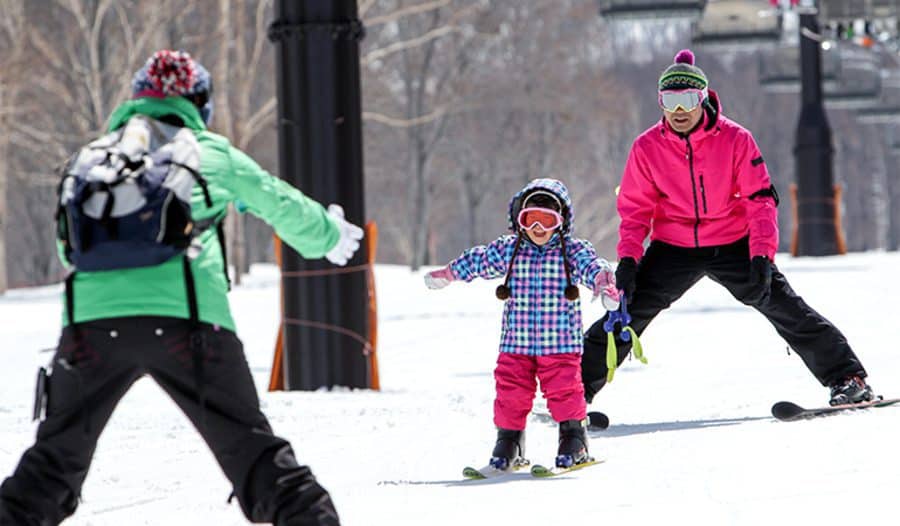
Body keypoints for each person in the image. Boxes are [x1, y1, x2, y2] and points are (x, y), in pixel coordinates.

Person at [0, 50, 362, 526]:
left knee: (51, 467)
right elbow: (279, 202)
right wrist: (330, 233)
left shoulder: (93, 158)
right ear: (199, 102)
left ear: (136, 99)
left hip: (89, 331)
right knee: (254, 456)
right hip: (189, 327)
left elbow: (69, 251)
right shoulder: (208, 151)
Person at [581, 49, 873, 407]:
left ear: (702, 98)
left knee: (783, 305)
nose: (679, 111)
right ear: (660, 103)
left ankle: (847, 378)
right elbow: (635, 210)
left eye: (687, 99)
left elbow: (760, 201)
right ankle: (572, 391)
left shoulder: (735, 139)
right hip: (673, 246)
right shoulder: (647, 147)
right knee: (627, 311)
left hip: (732, 241)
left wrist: (761, 256)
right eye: (669, 101)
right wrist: (627, 261)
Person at [424, 178, 619, 469]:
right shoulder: (510, 251)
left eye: (547, 220)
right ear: (520, 221)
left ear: (561, 222)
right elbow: (479, 260)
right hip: (516, 344)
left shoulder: (571, 252)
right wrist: (450, 273)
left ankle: (573, 439)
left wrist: (604, 285)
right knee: (510, 394)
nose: (538, 229)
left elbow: (594, 266)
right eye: (530, 220)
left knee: (566, 391)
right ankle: (509, 442)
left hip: (560, 344)